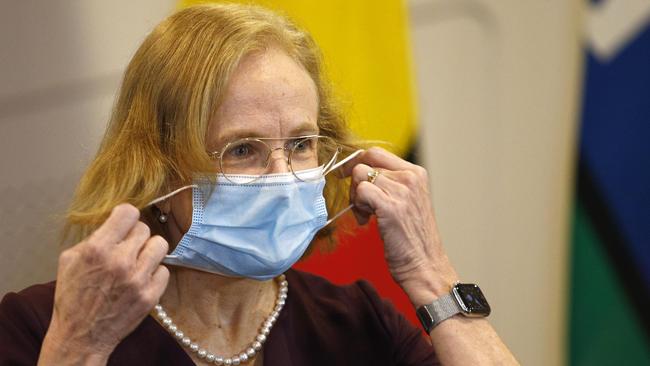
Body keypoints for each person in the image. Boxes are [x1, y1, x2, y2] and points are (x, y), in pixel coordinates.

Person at [0, 3, 518, 365]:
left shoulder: (357, 321)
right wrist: (80, 348)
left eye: (300, 144)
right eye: (242, 149)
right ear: (158, 167)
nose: (283, 178)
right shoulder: (45, 324)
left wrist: (430, 274)